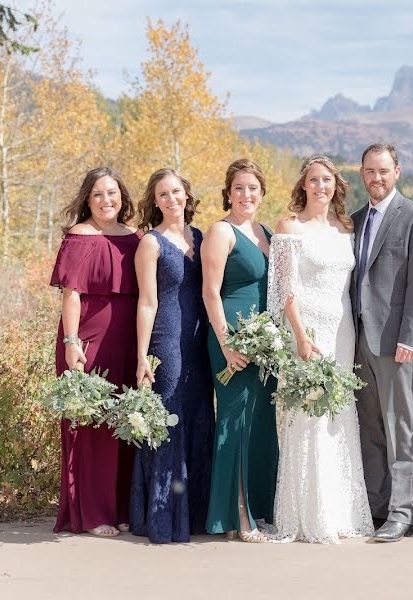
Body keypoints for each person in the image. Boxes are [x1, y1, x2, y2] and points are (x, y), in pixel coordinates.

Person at [267, 155, 374, 543]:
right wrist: (298, 335)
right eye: (314, 180)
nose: (321, 187)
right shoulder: (289, 226)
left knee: (339, 416)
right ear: (303, 185)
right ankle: (307, 514)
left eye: (327, 180)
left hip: (342, 332)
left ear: (336, 186)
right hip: (307, 333)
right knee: (308, 415)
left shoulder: (346, 227)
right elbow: (284, 289)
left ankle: (340, 510)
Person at [350, 143, 413, 542]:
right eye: (370, 171)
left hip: (396, 342)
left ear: (397, 171)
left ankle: (403, 511)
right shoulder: (353, 220)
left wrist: (412, 338)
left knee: (400, 426)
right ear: (361, 173)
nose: (377, 178)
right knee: (369, 426)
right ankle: (376, 506)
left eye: (383, 171)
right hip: (358, 341)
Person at [50, 167, 140, 537]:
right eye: (99, 194)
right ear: (87, 199)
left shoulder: (135, 237)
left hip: (129, 340)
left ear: (123, 197)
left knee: (124, 422)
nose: (107, 200)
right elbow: (71, 294)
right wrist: (72, 344)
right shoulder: (79, 237)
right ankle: (92, 514)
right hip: (87, 341)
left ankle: (120, 508)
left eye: (112, 193)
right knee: (91, 426)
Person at [128, 168, 215, 544]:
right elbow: (146, 302)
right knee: (170, 419)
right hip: (167, 339)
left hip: (199, 343)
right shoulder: (150, 243)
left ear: (187, 195)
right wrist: (142, 356)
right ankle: (164, 516)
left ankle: (195, 514)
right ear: (155, 201)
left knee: (198, 417)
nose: (171, 199)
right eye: (163, 194)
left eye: (176, 191)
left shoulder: (201, 236)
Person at [202, 159, 280, 542]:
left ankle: (259, 508)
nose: (246, 195)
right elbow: (210, 291)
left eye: (252, 188)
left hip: (264, 343)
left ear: (262, 192)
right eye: (238, 188)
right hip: (232, 340)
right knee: (235, 424)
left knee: (261, 425)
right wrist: (227, 344)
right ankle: (237, 517)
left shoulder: (266, 232)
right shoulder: (221, 231)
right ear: (228, 194)